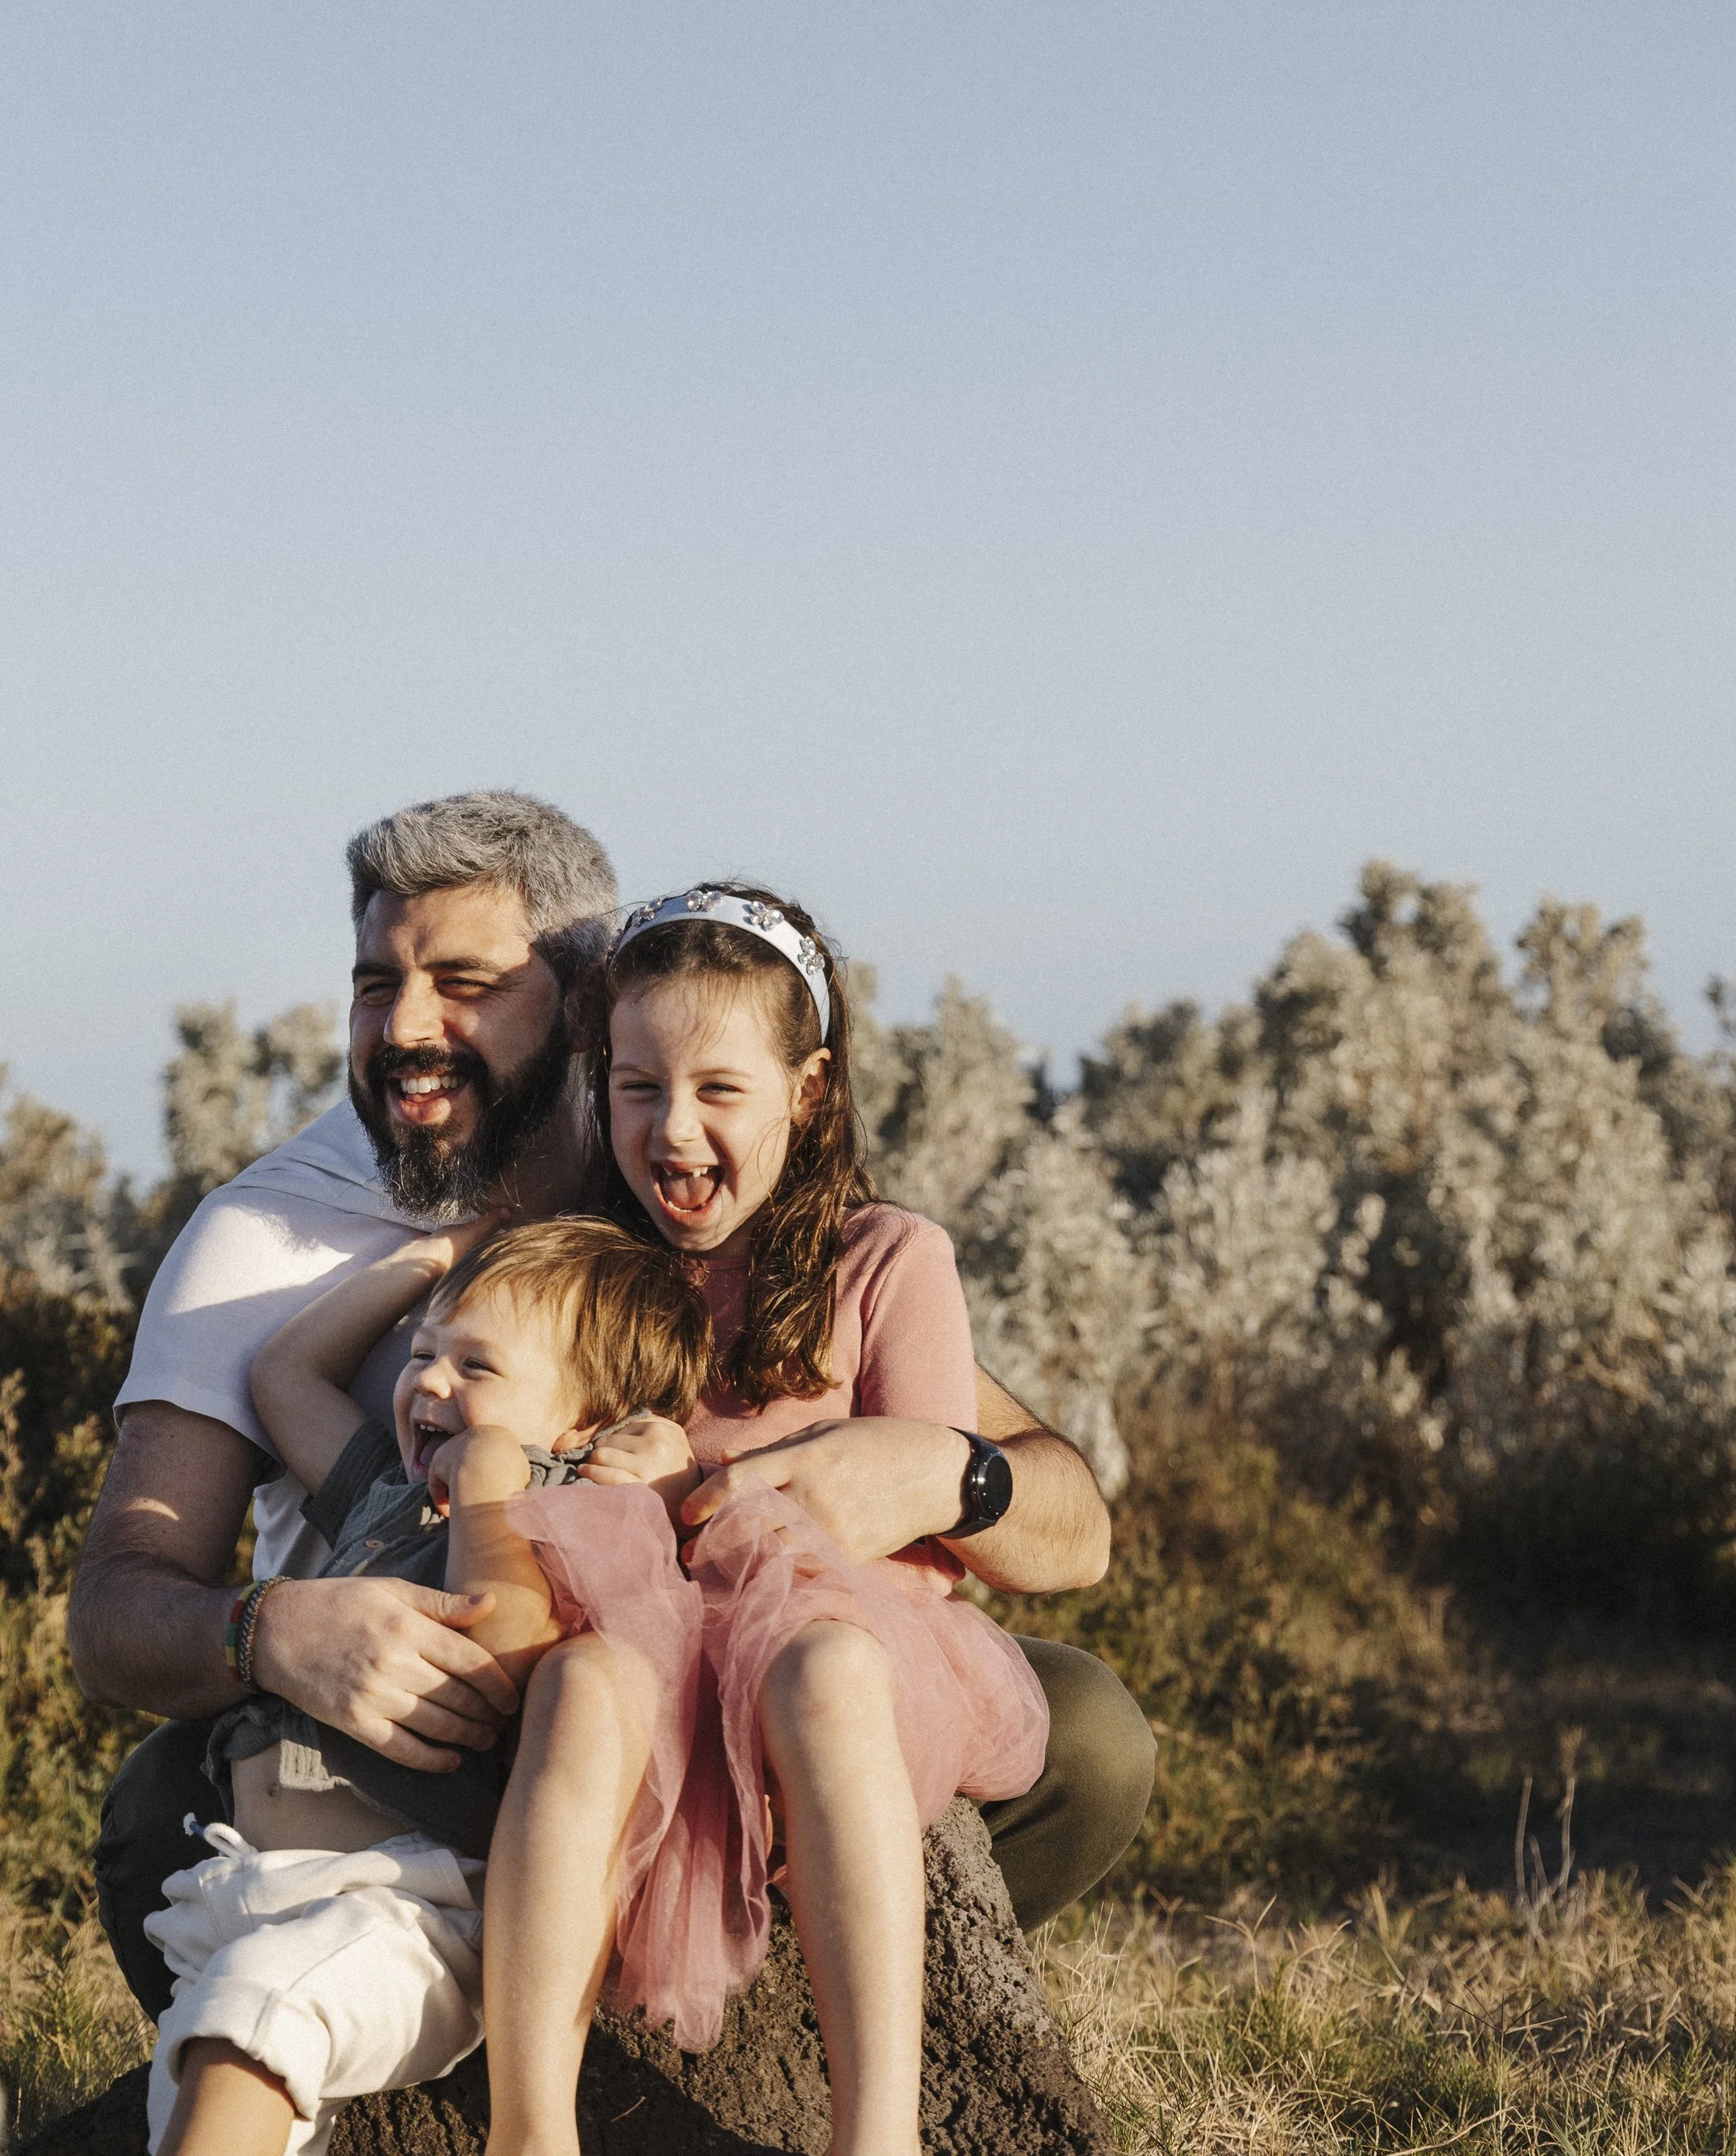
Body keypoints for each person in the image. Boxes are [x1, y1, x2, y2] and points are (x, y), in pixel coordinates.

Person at [72, 792, 1155, 2028]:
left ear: (585, 1003)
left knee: (1088, 1732)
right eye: (377, 984)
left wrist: (952, 1475)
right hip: (426, 1734)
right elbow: (114, 1610)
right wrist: (268, 1629)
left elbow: (1065, 1515)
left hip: (719, 1689)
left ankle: (756, 2011)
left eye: (465, 983)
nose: (408, 1026)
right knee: (162, 1806)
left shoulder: (671, 1170)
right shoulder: (260, 1241)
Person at [435, 883, 1054, 2156]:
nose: (676, 1130)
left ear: (809, 1091)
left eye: (721, 1089)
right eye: (638, 1086)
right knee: (590, 1683)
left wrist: (720, 1479)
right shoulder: (583, 1262)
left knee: (826, 1663)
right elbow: (490, 1412)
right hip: (639, 1649)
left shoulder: (885, 1260)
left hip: (827, 1652)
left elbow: (914, 1508)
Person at [0, 1215, 716, 2156]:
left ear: (584, 1420)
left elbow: (507, 1646)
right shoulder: (382, 1482)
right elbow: (282, 1373)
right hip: (257, 1880)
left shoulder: (568, 1505)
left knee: (253, 2029)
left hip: (409, 1896)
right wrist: (424, 1267)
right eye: (425, 1354)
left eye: (477, 1366)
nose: (430, 1383)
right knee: (224, 2138)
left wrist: (494, 1486)